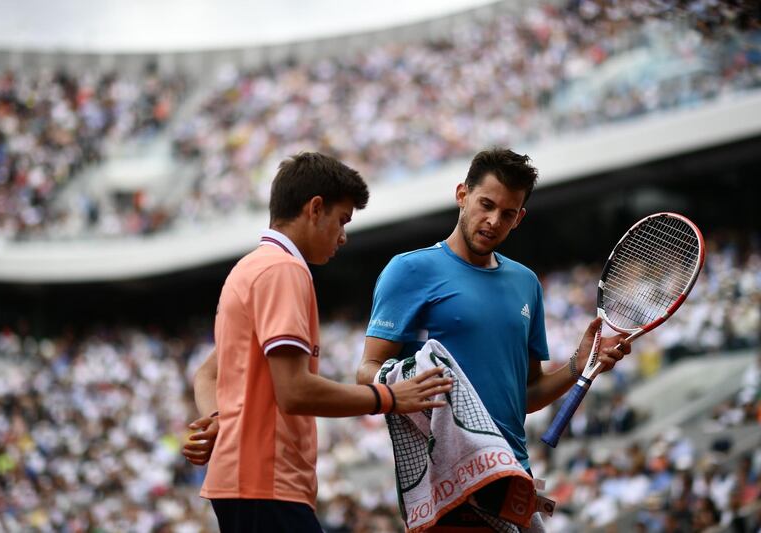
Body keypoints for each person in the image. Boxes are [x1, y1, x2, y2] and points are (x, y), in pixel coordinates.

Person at [355, 147, 631, 529]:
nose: (493, 220)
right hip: (451, 486)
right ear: (461, 195)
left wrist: (576, 367)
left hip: (514, 476)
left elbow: (526, 397)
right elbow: (367, 370)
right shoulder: (409, 271)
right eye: (486, 204)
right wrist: (403, 388)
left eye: (507, 213)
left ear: (520, 218)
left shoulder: (526, 283)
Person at [181, 152, 453, 533]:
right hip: (267, 483)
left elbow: (208, 375)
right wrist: (390, 398)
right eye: (341, 220)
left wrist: (218, 420)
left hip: (243, 481)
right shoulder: (284, 271)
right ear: (315, 208)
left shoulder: (249, 268)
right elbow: (294, 392)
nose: (343, 235)